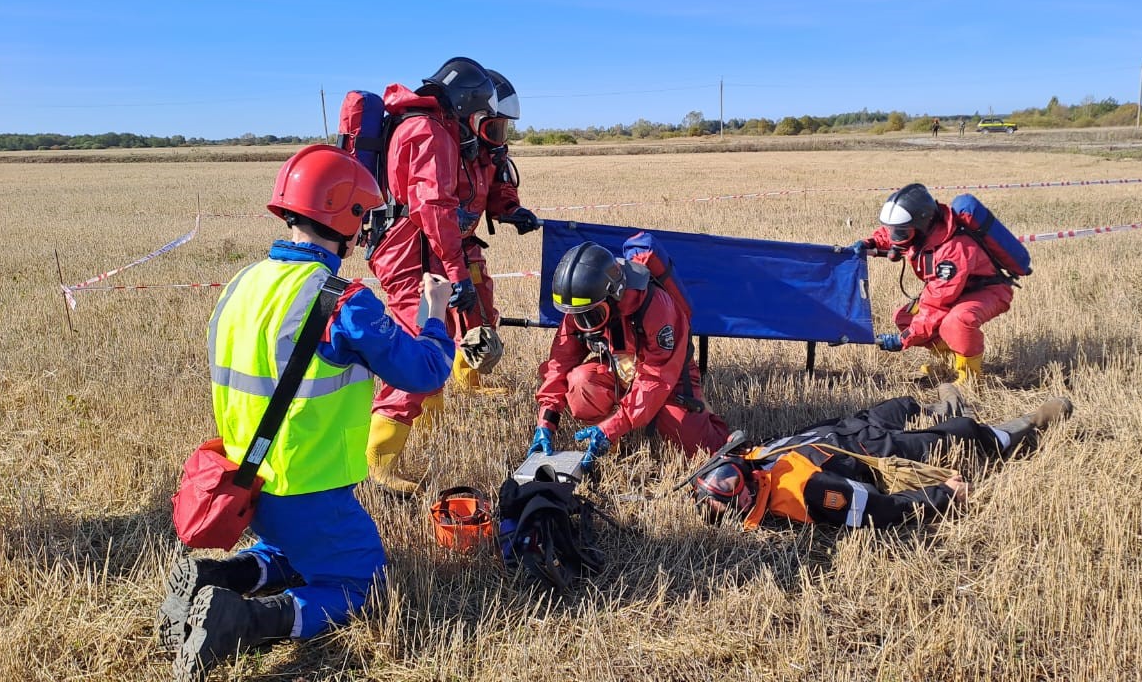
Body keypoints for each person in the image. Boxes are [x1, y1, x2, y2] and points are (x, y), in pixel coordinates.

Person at [158, 145, 456, 681]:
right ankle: (244, 619)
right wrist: (435, 315)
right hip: (308, 484)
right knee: (362, 584)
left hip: (249, 482)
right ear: (347, 215)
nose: (365, 232)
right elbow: (425, 372)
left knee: (292, 552)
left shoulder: (242, 284)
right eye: (364, 218)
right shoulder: (342, 300)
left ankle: (215, 577)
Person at [365, 57, 540, 495]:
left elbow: (481, 182)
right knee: (416, 341)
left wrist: (510, 210)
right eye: (492, 124)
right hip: (412, 252)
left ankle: (456, 391)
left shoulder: (457, 134)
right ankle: (380, 462)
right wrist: (455, 275)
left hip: (445, 244)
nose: (497, 135)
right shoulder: (428, 132)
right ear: (471, 107)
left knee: (475, 310)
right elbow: (433, 208)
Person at [692, 386, 1073, 529]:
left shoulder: (756, 458)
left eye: (721, 471)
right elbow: (877, 509)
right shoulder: (807, 492)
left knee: (902, 404)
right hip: (876, 453)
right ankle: (1027, 426)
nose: (729, 472)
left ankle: (943, 406)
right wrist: (942, 496)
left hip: (853, 427)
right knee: (963, 436)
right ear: (742, 501)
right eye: (727, 487)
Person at [529, 241, 730, 468]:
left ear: (614, 296)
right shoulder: (584, 305)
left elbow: (655, 380)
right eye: (578, 316)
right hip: (619, 368)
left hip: (667, 377)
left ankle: (713, 431)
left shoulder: (656, 307)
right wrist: (545, 422)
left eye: (592, 316)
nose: (585, 324)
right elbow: (559, 365)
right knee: (580, 382)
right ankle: (608, 441)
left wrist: (614, 425)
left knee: (703, 448)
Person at [849, 183, 1014, 385]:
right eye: (894, 231)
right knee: (905, 317)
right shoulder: (922, 231)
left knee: (957, 321)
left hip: (986, 291)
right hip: (954, 291)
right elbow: (891, 233)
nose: (895, 238)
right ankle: (950, 360)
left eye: (900, 233)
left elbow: (936, 304)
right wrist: (871, 243)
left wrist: (904, 339)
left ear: (921, 226)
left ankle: (970, 376)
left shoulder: (952, 251)